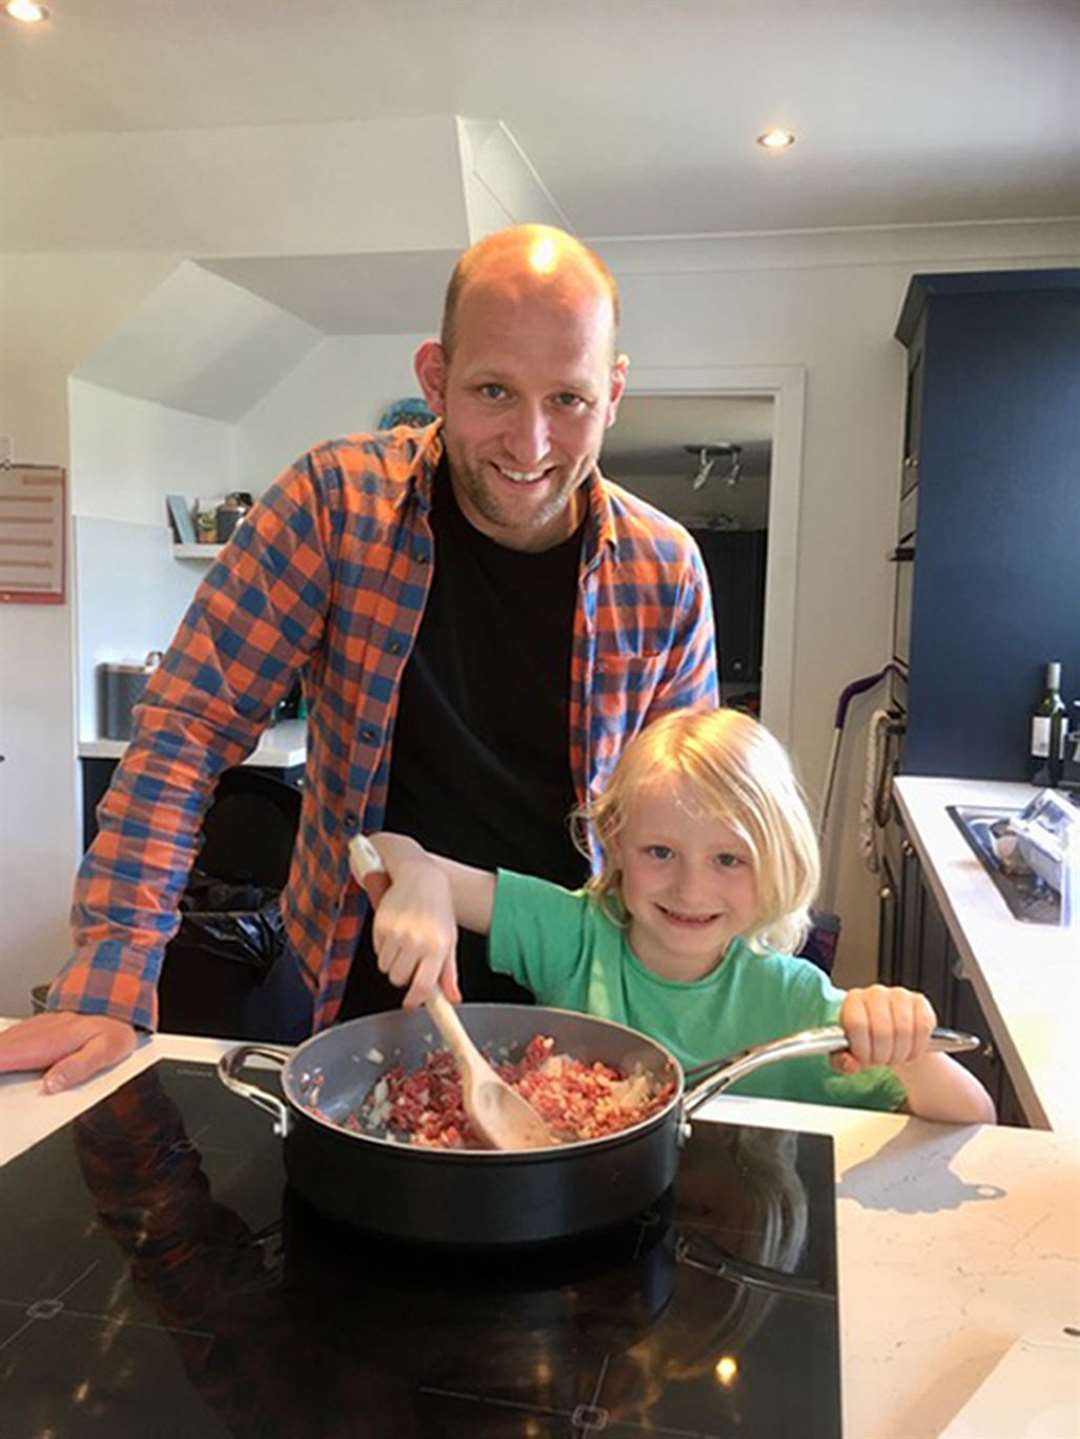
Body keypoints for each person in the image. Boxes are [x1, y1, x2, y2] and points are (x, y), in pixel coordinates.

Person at [0, 223, 718, 1093]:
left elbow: (688, 822)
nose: (530, 444)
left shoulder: (665, 568)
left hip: (580, 1012)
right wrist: (112, 978)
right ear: (435, 381)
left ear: (612, 392)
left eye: (566, 399)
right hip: (345, 996)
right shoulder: (332, 505)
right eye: (494, 390)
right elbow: (186, 730)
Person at [360, 708, 997, 1123]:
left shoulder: (793, 1002)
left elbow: (974, 1118)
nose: (691, 888)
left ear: (778, 862)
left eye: (728, 859)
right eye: (660, 852)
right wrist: (416, 877)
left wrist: (906, 1046)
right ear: (616, 841)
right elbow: (381, 852)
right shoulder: (576, 935)